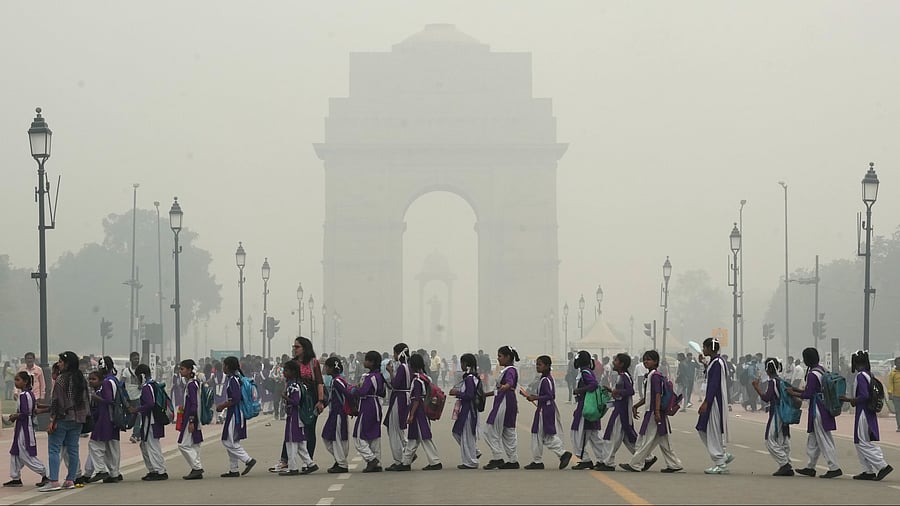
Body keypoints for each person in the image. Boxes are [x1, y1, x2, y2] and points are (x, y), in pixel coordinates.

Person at [620, 350, 681, 473]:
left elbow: (658, 394)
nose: (646, 362)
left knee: (645, 440)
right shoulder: (652, 376)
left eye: (649, 359)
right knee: (664, 441)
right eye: (645, 359)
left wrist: (657, 411)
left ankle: (635, 464)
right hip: (654, 412)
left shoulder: (654, 376)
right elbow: (649, 396)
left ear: (656, 361)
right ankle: (674, 464)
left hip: (654, 412)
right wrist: (636, 406)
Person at [789, 347, 842, 479]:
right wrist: (797, 390)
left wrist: (793, 393)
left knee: (824, 439)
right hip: (823, 406)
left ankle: (834, 467)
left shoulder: (812, 374)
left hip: (818, 408)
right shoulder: (822, 370)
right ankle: (810, 466)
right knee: (813, 439)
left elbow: (808, 394)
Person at [840, 350, 893, 481]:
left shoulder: (860, 376)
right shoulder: (869, 374)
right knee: (860, 441)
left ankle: (882, 465)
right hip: (866, 411)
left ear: (856, 363)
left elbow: (864, 396)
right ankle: (867, 470)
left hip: (863, 412)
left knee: (862, 442)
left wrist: (849, 400)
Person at [41, 352, 89, 492]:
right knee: (73, 449)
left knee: (54, 449)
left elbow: (56, 401)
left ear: (67, 364)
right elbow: (87, 399)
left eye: (61, 361)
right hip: (78, 419)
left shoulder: (62, 379)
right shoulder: (81, 378)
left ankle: (54, 481)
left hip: (63, 418)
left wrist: (52, 419)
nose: (59, 363)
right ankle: (70, 479)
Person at [520, 355, 571, 470]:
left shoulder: (545, 380)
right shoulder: (545, 378)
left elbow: (550, 396)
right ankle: (559, 454)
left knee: (537, 434)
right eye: (537, 364)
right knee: (545, 435)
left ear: (547, 366)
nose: (537, 367)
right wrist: (532, 396)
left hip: (545, 410)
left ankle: (540, 460)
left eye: (540, 364)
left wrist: (535, 398)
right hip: (544, 409)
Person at [4, 372, 48, 488]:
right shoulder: (30, 394)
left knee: (25, 453)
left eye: (18, 380)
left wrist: (14, 416)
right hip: (22, 426)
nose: (15, 382)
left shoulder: (24, 395)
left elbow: (24, 413)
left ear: (25, 381)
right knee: (15, 452)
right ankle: (15, 477)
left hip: (24, 427)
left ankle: (45, 473)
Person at [399, 353, 442, 471]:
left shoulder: (417, 380)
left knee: (424, 437)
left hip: (418, 412)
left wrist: (411, 414)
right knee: (414, 438)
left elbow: (417, 399)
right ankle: (406, 462)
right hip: (422, 410)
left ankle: (435, 462)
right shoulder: (425, 377)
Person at [600, 353, 642, 471]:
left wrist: (616, 392)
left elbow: (630, 391)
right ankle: (646, 457)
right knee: (627, 438)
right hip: (620, 408)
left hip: (622, 410)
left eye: (616, 360)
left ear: (622, 364)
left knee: (612, 435)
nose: (614, 362)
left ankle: (608, 462)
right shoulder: (622, 376)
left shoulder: (624, 376)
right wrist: (613, 391)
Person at [751, 358, 793, 476]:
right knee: (782, 439)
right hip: (783, 412)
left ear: (768, 369)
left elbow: (767, 397)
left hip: (777, 413)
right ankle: (786, 463)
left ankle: (784, 463)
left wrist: (756, 387)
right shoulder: (780, 380)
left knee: (769, 440)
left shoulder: (773, 382)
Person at [697, 338, 733, 474]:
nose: (703, 350)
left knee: (712, 431)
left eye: (704, 347)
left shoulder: (717, 363)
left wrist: (707, 402)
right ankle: (721, 455)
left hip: (715, 401)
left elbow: (714, 384)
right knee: (702, 428)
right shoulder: (716, 362)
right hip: (713, 400)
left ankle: (720, 462)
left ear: (710, 348)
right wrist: (703, 363)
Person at [217, 356, 256, 477]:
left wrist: (222, 406)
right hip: (235, 412)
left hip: (235, 413)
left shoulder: (233, 380)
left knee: (227, 441)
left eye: (224, 365)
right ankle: (233, 469)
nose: (222, 367)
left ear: (228, 367)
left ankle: (248, 460)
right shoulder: (236, 378)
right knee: (233, 440)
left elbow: (235, 398)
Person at [570, 350, 610, 470]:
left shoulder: (584, 372)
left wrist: (579, 391)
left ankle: (585, 459)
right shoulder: (587, 371)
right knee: (594, 435)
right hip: (588, 406)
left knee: (577, 433)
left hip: (586, 406)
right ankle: (602, 459)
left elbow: (593, 385)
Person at [483, 345, 520, 470]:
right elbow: (497, 390)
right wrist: (485, 394)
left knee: (489, 430)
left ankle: (497, 457)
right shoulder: (509, 370)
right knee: (508, 431)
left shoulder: (509, 370)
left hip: (504, 402)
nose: (498, 359)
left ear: (507, 357)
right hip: (508, 401)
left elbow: (508, 383)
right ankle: (513, 460)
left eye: (500, 356)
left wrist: (507, 386)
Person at [128, 364, 168, 481]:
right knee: (145, 445)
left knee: (152, 445)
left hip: (151, 420)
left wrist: (137, 409)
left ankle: (160, 471)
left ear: (141, 375)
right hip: (152, 419)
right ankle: (153, 469)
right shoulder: (153, 384)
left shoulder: (147, 387)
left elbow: (150, 404)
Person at [279, 360, 317, 476]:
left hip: (294, 416)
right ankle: (310, 463)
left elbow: (295, 401)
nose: (284, 372)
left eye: (286, 370)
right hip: (298, 416)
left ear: (293, 372)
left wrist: (285, 397)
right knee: (300, 443)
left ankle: (292, 467)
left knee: (291, 441)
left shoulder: (294, 386)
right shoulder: (297, 384)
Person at [88, 356, 121, 483]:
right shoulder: (114, 380)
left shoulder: (107, 382)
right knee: (112, 446)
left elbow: (108, 400)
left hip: (106, 416)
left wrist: (95, 398)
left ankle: (101, 470)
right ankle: (114, 473)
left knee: (95, 444)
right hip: (113, 416)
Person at [351, 351, 386, 473]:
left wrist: (354, 389)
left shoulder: (369, 377)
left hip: (367, 406)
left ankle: (371, 459)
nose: (364, 362)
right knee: (374, 436)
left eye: (366, 360)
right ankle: (378, 462)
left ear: (371, 362)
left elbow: (362, 392)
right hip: (377, 405)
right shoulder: (380, 376)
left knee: (358, 436)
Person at [384, 343, 411, 471]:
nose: (393, 355)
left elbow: (395, 384)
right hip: (404, 397)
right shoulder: (408, 367)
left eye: (394, 353)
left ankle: (399, 459)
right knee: (397, 428)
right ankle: (405, 454)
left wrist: (390, 372)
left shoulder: (401, 368)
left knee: (394, 429)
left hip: (399, 398)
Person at [450, 353, 480, 470]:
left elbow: (469, 395)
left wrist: (456, 393)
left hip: (469, 409)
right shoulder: (471, 377)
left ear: (466, 364)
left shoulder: (469, 379)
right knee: (458, 433)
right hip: (467, 409)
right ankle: (473, 454)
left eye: (462, 363)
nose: (461, 365)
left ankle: (471, 461)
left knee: (466, 435)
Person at [322, 357, 350, 474]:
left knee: (337, 438)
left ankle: (342, 463)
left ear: (331, 368)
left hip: (339, 413)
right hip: (334, 412)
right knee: (328, 436)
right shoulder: (337, 380)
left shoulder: (337, 381)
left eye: (326, 367)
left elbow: (347, 394)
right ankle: (339, 459)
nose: (325, 369)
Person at [177, 359, 204, 480]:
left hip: (191, 417)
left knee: (183, 444)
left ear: (189, 370)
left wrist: (192, 420)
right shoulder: (193, 383)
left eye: (182, 369)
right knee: (195, 444)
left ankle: (197, 467)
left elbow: (194, 403)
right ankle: (196, 468)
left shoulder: (191, 385)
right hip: (193, 417)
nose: (180, 371)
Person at [119, 352, 142, 443]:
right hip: (128, 397)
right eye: (134, 358)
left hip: (138, 396)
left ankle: (135, 434)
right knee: (131, 416)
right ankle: (138, 432)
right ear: (131, 359)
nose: (136, 360)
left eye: (137, 358)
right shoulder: (126, 371)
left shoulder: (141, 371)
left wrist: (142, 386)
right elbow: (121, 383)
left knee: (138, 415)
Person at [888, 357, 900, 432]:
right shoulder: (893, 373)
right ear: (895, 364)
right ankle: (899, 426)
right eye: (898, 363)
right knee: (898, 411)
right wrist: (890, 393)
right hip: (896, 396)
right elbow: (890, 384)